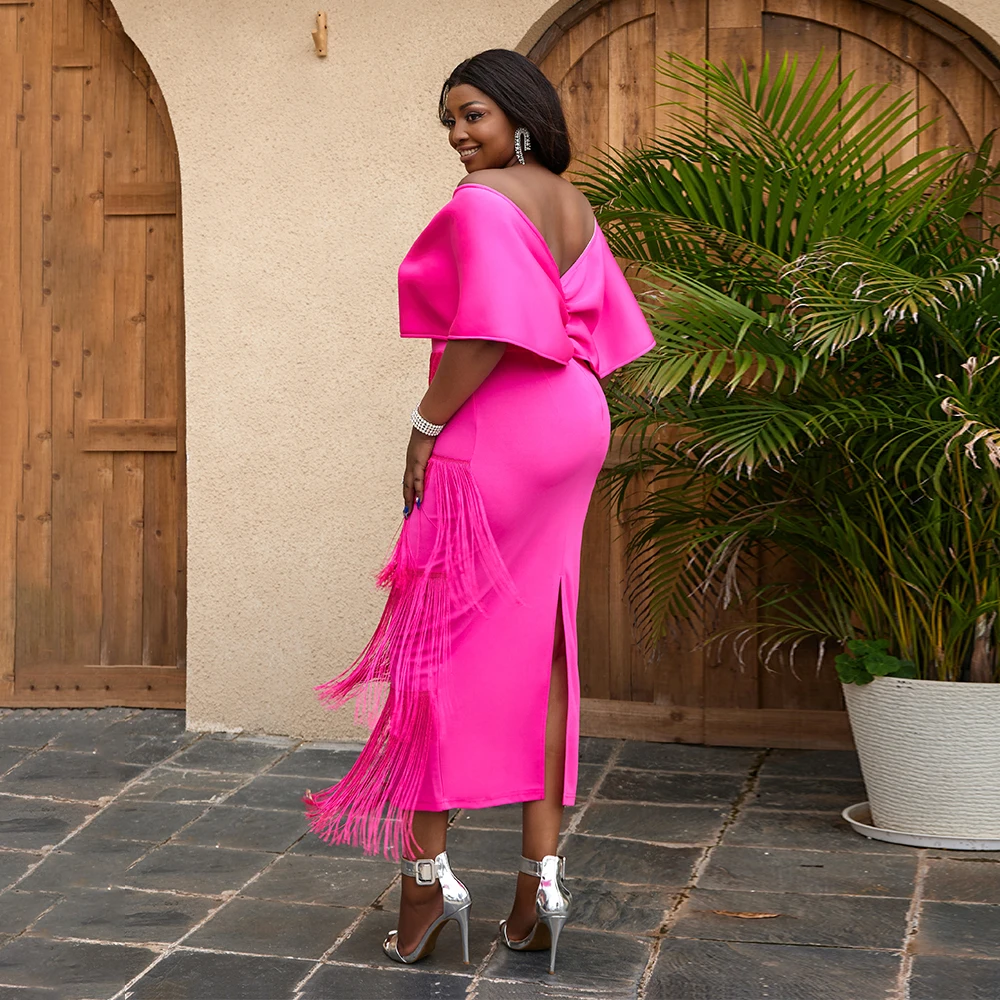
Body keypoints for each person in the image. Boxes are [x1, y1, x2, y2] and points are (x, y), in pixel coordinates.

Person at [304, 48, 655, 972]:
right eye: (450, 122)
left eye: (473, 115)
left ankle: (426, 880)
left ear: (519, 114)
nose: (459, 136)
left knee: (438, 647)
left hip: (497, 430)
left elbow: (488, 333)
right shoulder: (573, 204)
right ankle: (540, 883)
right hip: (575, 421)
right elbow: (593, 326)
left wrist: (424, 425)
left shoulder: (483, 201)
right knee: (547, 646)